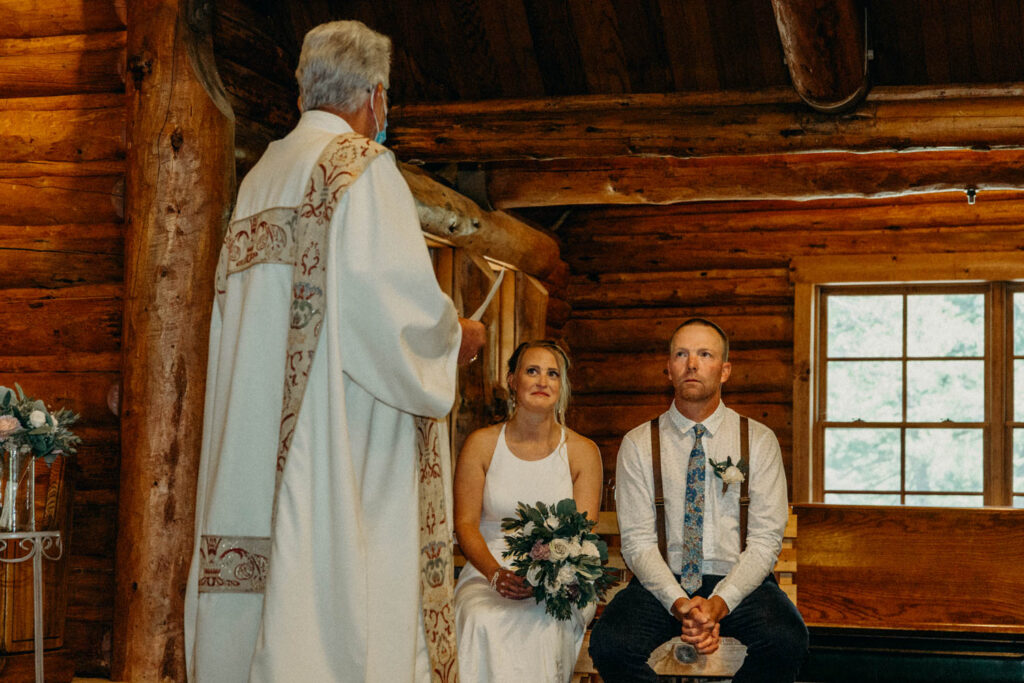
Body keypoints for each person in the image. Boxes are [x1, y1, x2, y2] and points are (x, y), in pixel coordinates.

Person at [183, 19, 486, 682]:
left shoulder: (260, 178)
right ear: (376, 97)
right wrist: (456, 338)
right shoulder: (361, 170)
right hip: (336, 446)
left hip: (250, 453)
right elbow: (397, 322)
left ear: (303, 92)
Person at [589, 318, 807, 682]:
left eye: (704, 354)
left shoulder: (758, 440)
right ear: (668, 369)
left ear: (724, 371)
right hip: (662, 581)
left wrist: (718, 605)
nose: (692, 364)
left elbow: (765, 541)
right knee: (611, 644)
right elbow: (639, 543)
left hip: (738, 580)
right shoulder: (639, 444)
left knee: (786, 639)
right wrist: (680, 604)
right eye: (681, 354)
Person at [452, 340, 603, 682]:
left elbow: (582, 534)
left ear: (561, 386)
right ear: (512, 380)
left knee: (543, 621)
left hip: (562, 578)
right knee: (481, 619)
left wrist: (548, 578)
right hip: (487, 572)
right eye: (532, 371)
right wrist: (495, 574)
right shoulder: (482, 444)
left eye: (553, 374)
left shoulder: (582, 451)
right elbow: (465, 523)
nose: (542, 381)